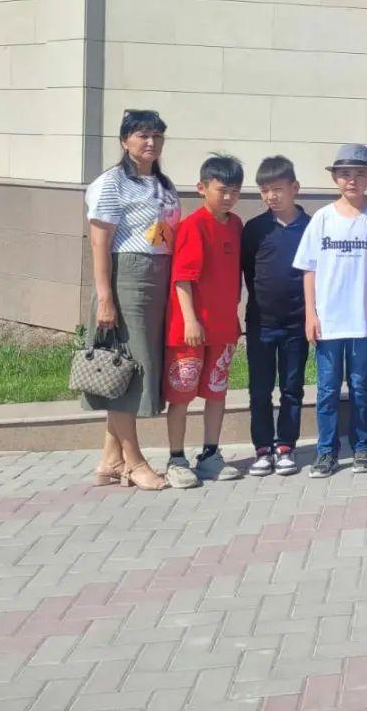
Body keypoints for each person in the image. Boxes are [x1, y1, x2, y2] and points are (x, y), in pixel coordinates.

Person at [83, 109, 180, 491]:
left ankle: (109, 460)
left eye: (157, 135)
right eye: (142, 135)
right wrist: (106, 297)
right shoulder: (112, 183)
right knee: (131, 367)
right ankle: (134, 462)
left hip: (157, 279)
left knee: (133, 367)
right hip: (127, 280)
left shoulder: (162, 184)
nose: (151, 142)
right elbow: (99, 243)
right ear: (125, 141)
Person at [294, 144, 367, 479]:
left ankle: (363, 446)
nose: (352, 180)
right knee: (327, 389)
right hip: (329, 320)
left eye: (360, 174)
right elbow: (309, 269)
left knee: (361, 386)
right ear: (335, 178)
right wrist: (311, 314)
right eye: (345, 174)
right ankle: (326, 451)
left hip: (363, 319)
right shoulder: (322, 218)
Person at [162, 154, 246, 488]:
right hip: (191, 330)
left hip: (223, 328)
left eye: (235, 191)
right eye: (222, 190)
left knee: (217, 393)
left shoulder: (236, 225)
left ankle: (210, 455)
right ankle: (176, 458)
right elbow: (182, 278)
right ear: (202, 188)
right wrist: (190, 321)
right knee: (181, 394)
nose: (229, 197)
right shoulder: (193, 226)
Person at [241, 156, 310, 477]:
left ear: (295, 188)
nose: (271, 196)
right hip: (261, 323)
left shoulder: (310, 226)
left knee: (292, 388)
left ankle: (286, 447)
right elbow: (248, 273)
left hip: (297, 323)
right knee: (260, 389)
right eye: (264, 190)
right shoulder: (255, 229)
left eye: (278, 189)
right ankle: (262, 448)